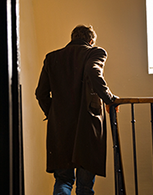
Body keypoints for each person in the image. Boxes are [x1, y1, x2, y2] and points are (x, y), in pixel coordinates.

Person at [35, 25, 118, 195]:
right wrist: (109, 99)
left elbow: (40, 93)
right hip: (86, 128)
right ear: (91, 41)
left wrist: (53, 113)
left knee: (63, 181)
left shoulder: (52, 58)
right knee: (85, 187)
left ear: (72, 38)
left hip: (60, 130)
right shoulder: (95, 52)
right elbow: (93, 71)